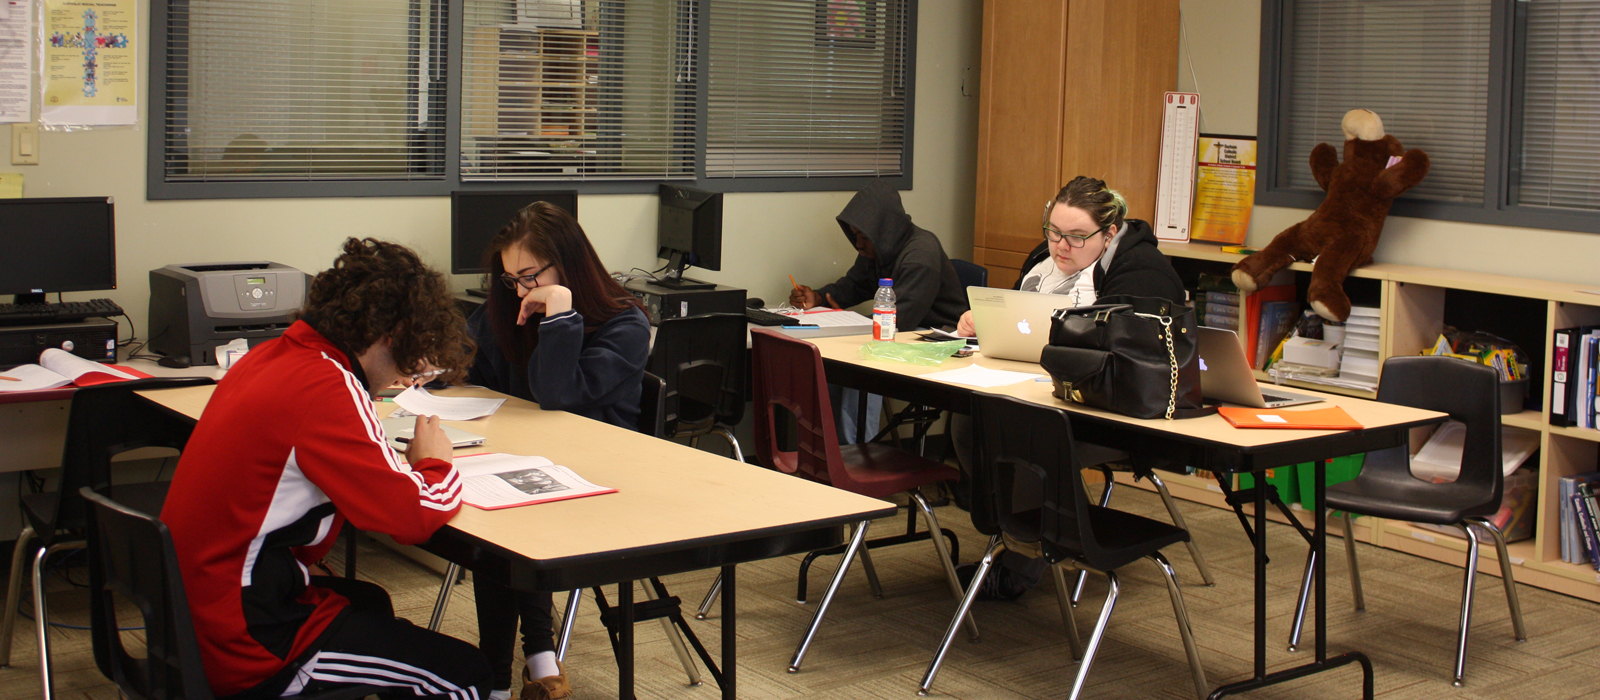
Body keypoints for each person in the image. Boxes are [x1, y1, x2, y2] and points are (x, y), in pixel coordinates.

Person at [162, 238, 490, 700]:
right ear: (393, 334)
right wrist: (435, 462)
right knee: (463, 671)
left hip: (192, 613)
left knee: (371, 605)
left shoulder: (274, 356)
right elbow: (409, 516)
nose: (406, 376)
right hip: (247, 642)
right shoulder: (326, 386)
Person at [951, 175, 1187, 600]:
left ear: (1109, 233)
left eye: (1077, 237)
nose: (1061, 246)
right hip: (1053, 394)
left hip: (1119, 416)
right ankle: (1025, 532)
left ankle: (1029, 560)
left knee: (1028, 437)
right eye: (1054, 232)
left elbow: (1124, 359)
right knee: (968, 423)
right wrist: (981, 324)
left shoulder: (1144, 275)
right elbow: (1021, 321)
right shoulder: (1045, 262)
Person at [466, 201, 651, 700]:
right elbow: (471, 368)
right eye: (511, 280)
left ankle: (501, 677)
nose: (521, 291)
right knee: (495, 525)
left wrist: (561, 312)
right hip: (529, 468)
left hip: (599, 479)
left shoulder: (625, 324)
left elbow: (557, 395)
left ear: (566, 265)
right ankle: (530, 665)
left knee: (503, 530)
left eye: (529, 276)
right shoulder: (513, 307)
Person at [790, 180, 969, 442]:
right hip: (907, 331)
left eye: (864, 237)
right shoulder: (879, 249)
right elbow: (855, 285)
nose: (859, 244)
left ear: (885, 232)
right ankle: (832, 450)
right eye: (856, 236)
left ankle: (855, 454)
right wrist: (817, 297)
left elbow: (900, 320)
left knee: (862, 362)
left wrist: (846, 324)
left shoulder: (922, 253)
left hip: (941, 339)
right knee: (826, 364)